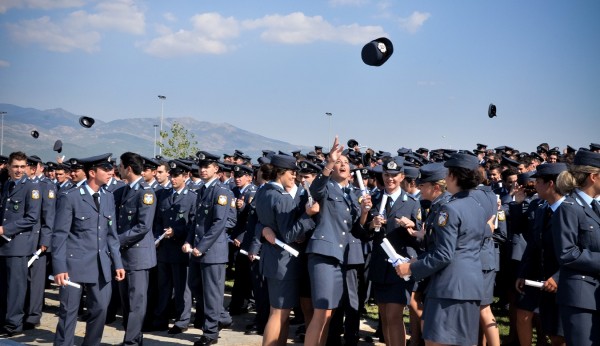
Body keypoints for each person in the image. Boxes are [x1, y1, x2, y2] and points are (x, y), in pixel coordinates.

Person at [397, 153, 490, 346]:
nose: (446, 177)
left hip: (448, 288)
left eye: (448, 173)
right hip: (470, 286)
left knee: (435, 341)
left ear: (454, 176)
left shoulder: (450, 209)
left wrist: (412, 269)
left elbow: (445, 254)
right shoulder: (478, 206)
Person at [50, 153, 125, 345]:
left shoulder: (108, 197)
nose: (111, 173)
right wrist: (59, 268)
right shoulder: (71, 197)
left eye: (111, 169)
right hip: (74, 265)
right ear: (92, 172)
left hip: (101, 266)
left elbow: (111, 235)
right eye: (106, 170)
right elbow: (59, 235)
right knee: (68, 313)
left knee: (100, 310)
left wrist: (117, 263)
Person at [255, 154, 318, 346]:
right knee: (279, 313)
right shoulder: (281, 198)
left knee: (280, 313)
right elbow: (289, 234)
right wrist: (307, 215)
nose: (295, 176)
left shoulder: (263, 191)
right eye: (292, 172)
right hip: (283, 260)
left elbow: (262, 221)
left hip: (272, 258)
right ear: (281, 172)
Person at [367, 155, 421, 346]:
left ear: (401, 177)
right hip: (379, 265)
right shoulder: (374, 199)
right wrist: (371, 223)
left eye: (394, 175)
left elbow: (420, 234)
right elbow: (363, 231)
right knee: (384, 317)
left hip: (399, 266)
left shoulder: (412, 203)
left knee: (394, 315)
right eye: (386, 175)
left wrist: (412, 224)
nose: (390, 178)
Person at [183, 151, 235, 346]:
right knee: (196, 287)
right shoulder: (202, 190)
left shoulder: (221, 191)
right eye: (201, 166)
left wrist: (202, 247)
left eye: (208, 166)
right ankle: (222, 318)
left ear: (216, 169)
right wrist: (189, 241)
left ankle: (210, 333)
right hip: (198, 249)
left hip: (212, 251)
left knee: (212, 293)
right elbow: (195, 221)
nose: (203, 169)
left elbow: (219, 223)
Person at [514, 163, 567, 346]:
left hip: (563, 282)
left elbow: (580, 250)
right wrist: (523, 273)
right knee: (537, 323)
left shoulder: (571, 210)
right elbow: (534, 245)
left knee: (560, 337)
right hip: (539, 277)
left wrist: (558, 278)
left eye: (538, 181)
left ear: (550, 184)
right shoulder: (542, 208)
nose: (534, 185)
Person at [551, 149, 600, 346]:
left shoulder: (595, 207)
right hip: (580, 298)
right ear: (593, 176)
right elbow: (567, 253)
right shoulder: (569, 208)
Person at [150, 160, 196, 334]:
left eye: (177, 176)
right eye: (172, 175)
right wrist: (157, 237)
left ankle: (182, 320)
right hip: (164, 248)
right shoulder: (163, 194)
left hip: (179, 249)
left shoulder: (192, 197)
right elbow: (158, 220)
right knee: (164, 286)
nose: (173, 179)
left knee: (182, 287)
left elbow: (192, 224)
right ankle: (160, 318)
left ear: (185, 176)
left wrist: (176, 232)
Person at [116, 152, 157, 346]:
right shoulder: (125, 190)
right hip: (125, 255)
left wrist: (117, 240)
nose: (118, 169)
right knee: (126, 302)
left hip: (138, 256)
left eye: (120, 166)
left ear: (128, 168)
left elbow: (143, 226)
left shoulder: (145, 192)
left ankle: (131, 342)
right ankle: (133, 339)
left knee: (136, 302)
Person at [0, 151, 43, 337]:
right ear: (8, 167)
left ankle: (13, 324)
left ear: (27, 168)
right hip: (3, 245)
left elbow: (32, 218)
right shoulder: (8, 185)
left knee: (16, 287)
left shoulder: (31, 188)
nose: (18, 170)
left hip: (18, 244)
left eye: (22, 167)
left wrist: (5, 229)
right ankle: (4, 320)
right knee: (3, 286)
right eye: (15, 166)